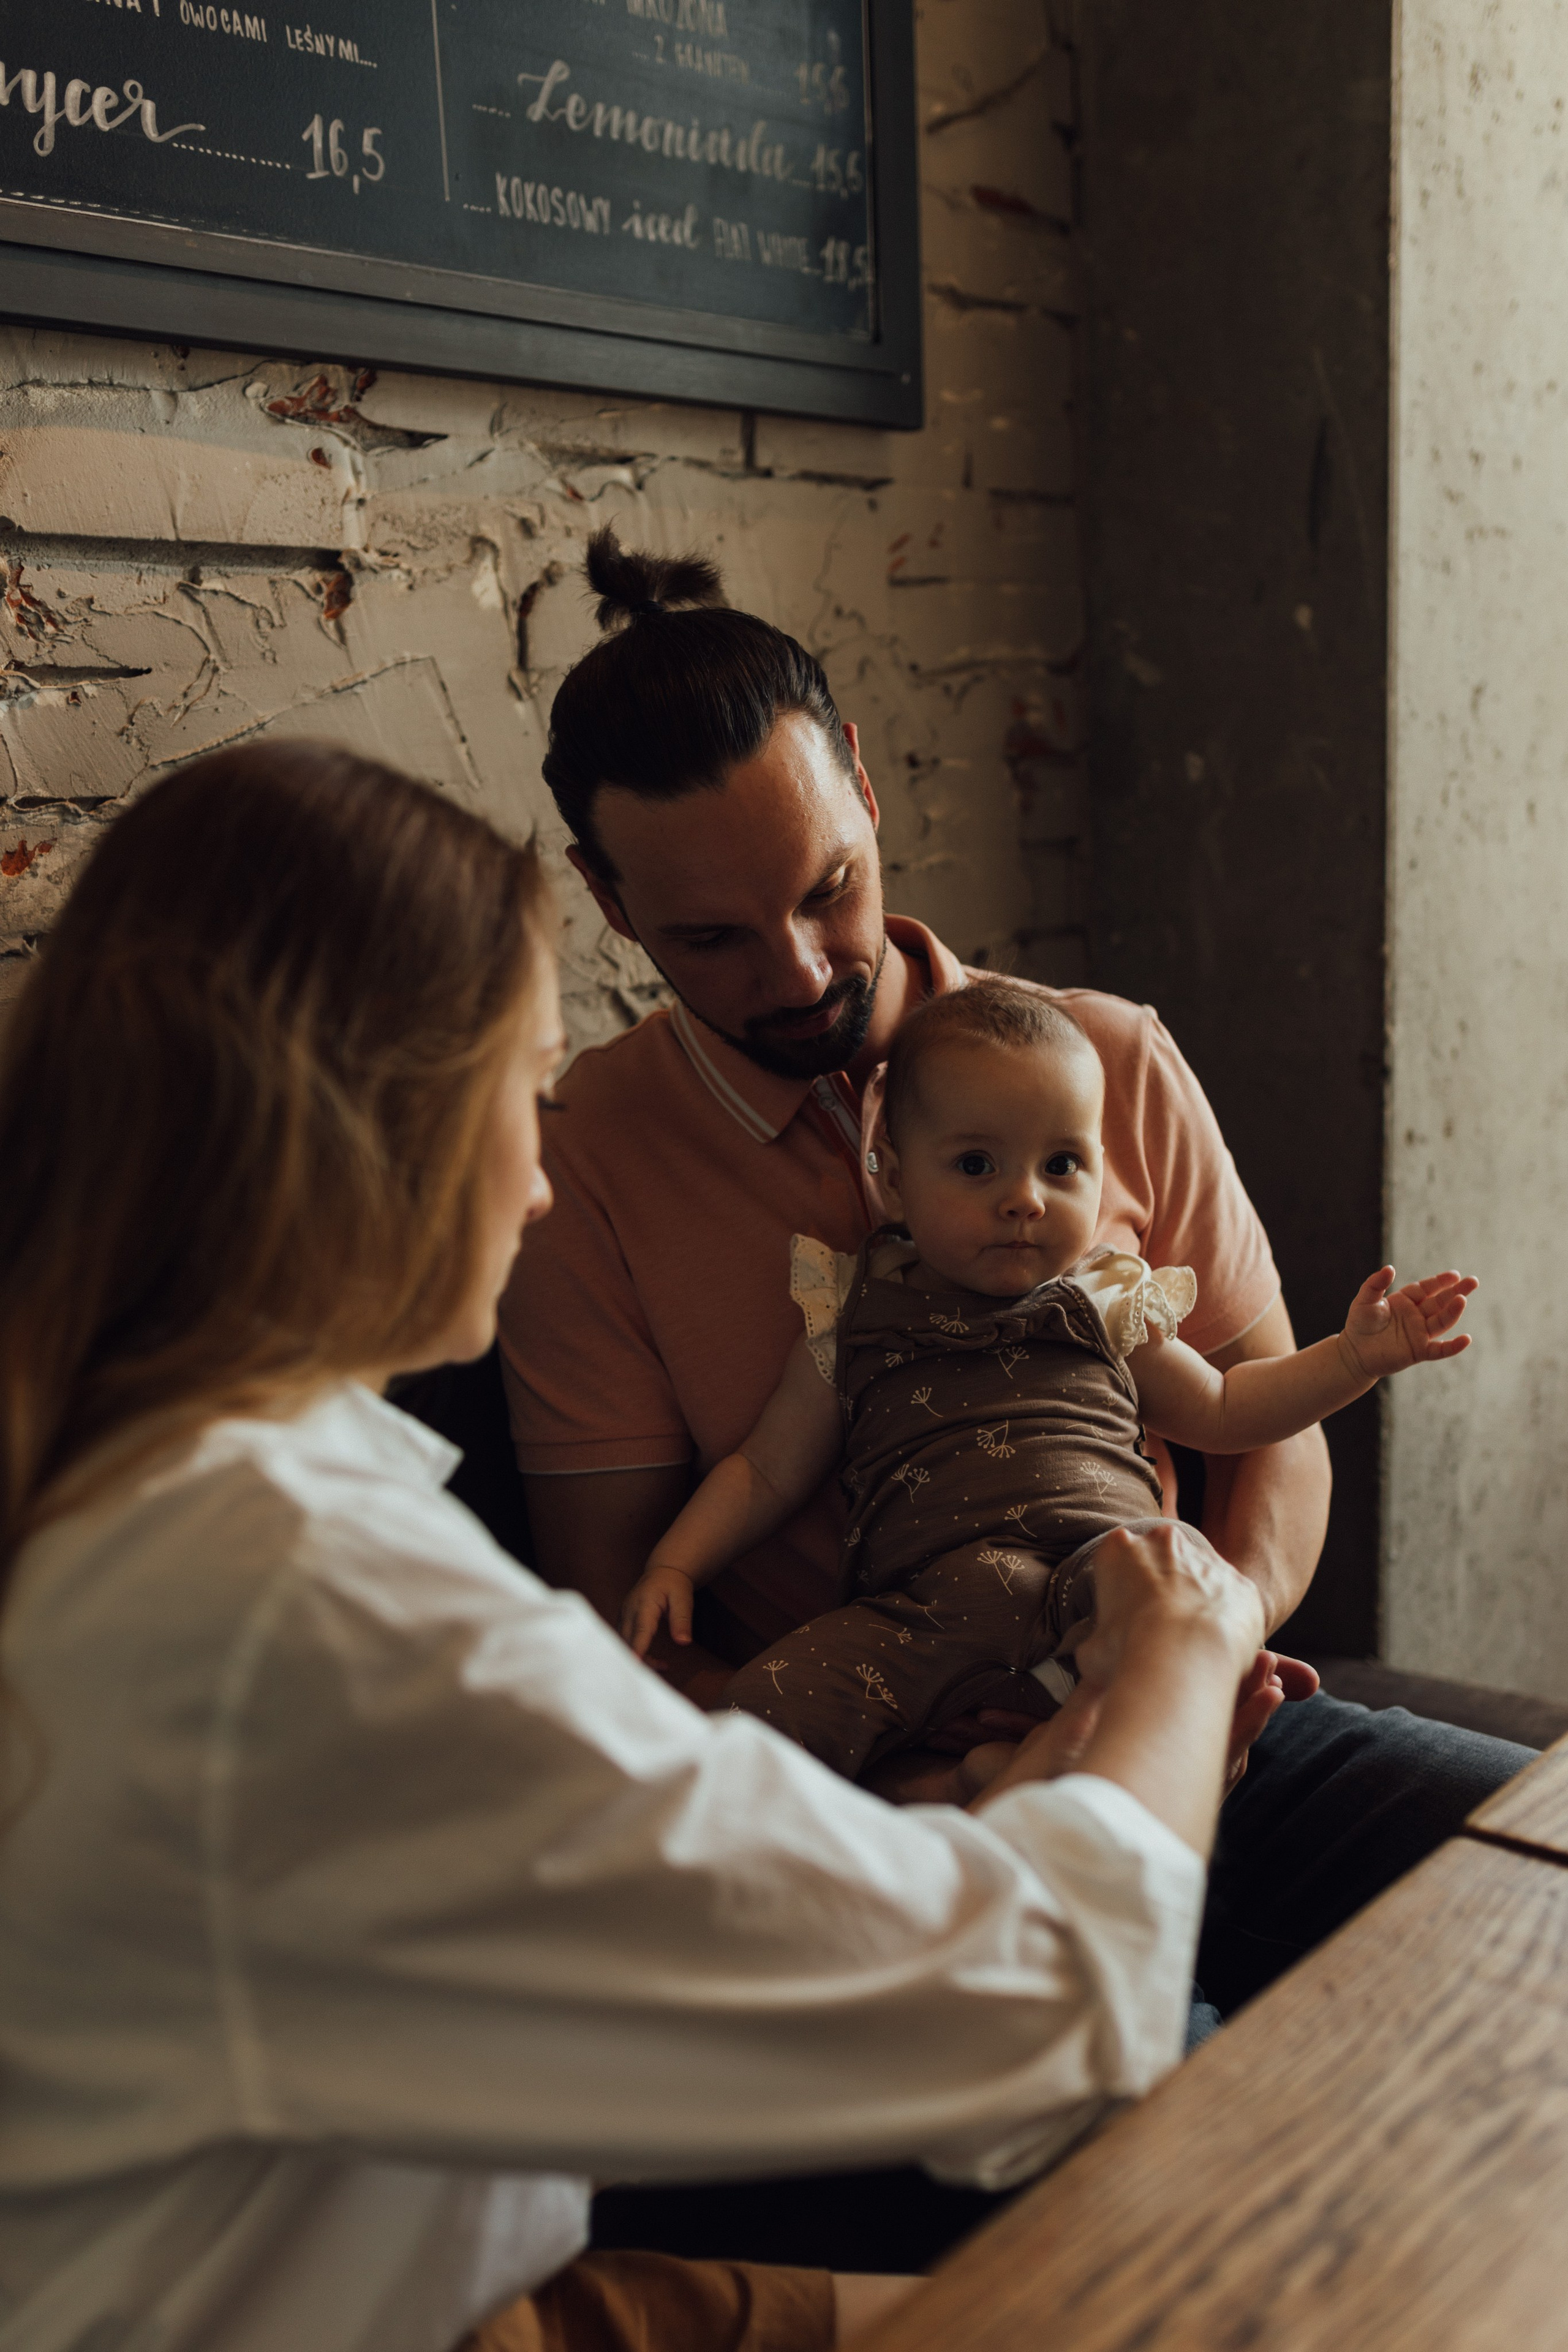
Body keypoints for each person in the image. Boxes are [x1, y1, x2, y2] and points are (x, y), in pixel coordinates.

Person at [0, 742, 1276, 2352]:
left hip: (448, 2285)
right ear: (367, 1129)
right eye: (516, 1098)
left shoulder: (140, 1488)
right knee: (1227, 2209)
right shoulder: (317, 1614)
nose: (538, 1184)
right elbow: (1044, 2008)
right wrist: (1182, 1645)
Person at [499, 528, 1532, 2037]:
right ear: (604, 900)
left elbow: (1271, 1435)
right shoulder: (576, 1159)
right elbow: (620, 1615)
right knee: (1143, 2110)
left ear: (860, 777)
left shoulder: (1102, 1055)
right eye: (708, 940)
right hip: (878, 1804)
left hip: (1213, 1715)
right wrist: (909, 1791)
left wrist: (1196, 1661)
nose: (793, 974)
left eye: (825, 891)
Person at [621, 981, 1477, 1792]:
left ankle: (1163, 1710)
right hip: (922, 1616)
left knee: (1174, 1572)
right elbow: (766, 1470)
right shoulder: (850, 1311)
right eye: (976, 1166)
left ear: (1100, 1169)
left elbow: (1228, 1411)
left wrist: (1355, 1359)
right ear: (891, 1176)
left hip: (1098, 1579)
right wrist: (676, 1561)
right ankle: (983, 1781)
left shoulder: (1104, 1299)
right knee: (752, 1717)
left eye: (1061, 1165)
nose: (1025, 1200)